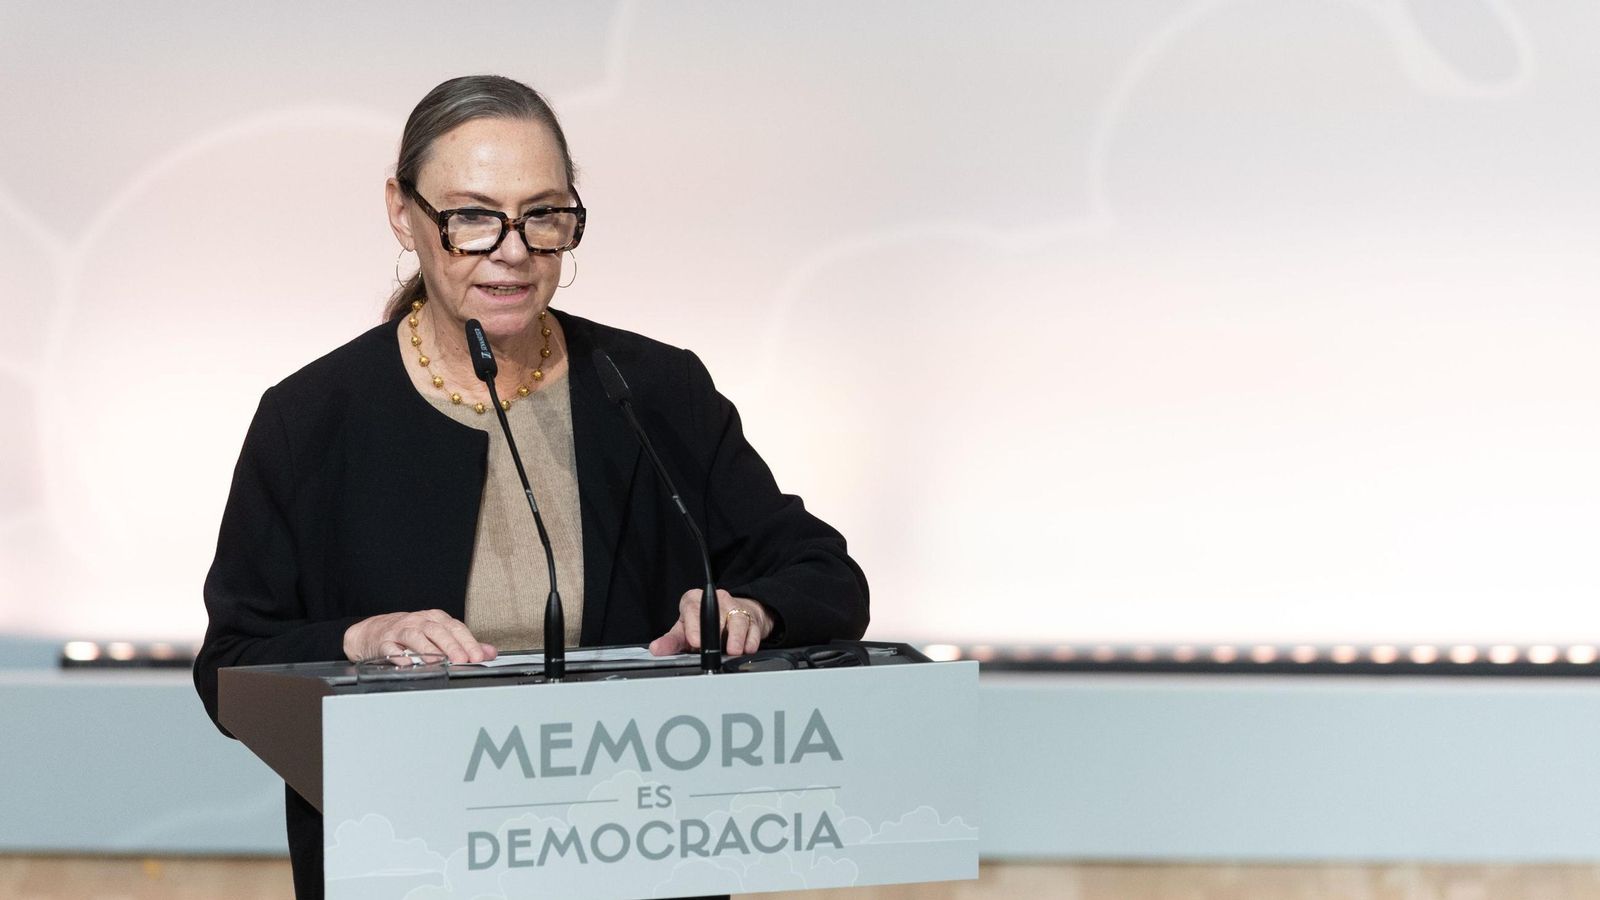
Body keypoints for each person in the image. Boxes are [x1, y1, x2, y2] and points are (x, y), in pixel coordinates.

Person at [192, 74, 869, 899]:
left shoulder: (651, 389)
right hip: (407, 869)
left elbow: (826, 577)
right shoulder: (313, 419)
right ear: (403, 213)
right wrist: (360, 642)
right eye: (472, 217)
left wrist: (752, 609)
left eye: (543, 215)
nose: (512, 250)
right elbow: (228, 667)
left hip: (638, 862)